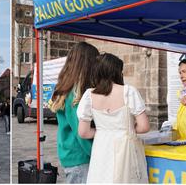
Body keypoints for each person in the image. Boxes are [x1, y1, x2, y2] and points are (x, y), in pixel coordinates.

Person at [77, 53, 149, 183]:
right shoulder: (128, 92)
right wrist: (127, 129)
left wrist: (103, 130)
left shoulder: (89, 95)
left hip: (101, 146)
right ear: (116, 72)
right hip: (126, 147)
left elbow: (83, 132)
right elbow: (144, 127)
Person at [50, 42, 100, 184]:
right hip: (81, 157)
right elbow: (81, 133)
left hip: (73, 155)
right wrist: (99, 156)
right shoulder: (75, 94)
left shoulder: (68, 88)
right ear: (87, 64)